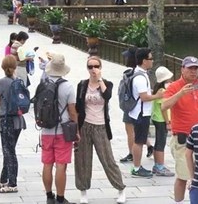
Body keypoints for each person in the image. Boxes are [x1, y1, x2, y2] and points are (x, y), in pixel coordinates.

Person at [74, 56, 126, 204]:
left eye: (96, 66)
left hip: (101, 127)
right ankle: (83, 191)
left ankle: (120, 188)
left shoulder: (107, 84)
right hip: (85, 126)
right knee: (82, 160)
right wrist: (77, 129)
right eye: (90, 67)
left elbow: (107, 96)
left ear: (100, 67)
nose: (93, 69)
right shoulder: (82, 85)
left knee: (107, 159)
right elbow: (78, 107)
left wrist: (100, 80)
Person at [161, 56, 198, 203]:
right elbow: (164, 106)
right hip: (182, 139)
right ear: (182, 69)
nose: (194, 71)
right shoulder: (174, 86)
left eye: (196, 68)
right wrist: (180, 93)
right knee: (183, 176)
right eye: (190, 68)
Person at [40, 53, 77, 204]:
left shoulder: (43, 83)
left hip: (46, 130)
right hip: (63, 130)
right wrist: (76, 130)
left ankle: (49, 197)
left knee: (47, 164)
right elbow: (72, 111)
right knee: (61, 165)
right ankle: (60, 199)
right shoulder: (68, 86)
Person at [0, 55, 25, 193]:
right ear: (15, 66)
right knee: (9, 149)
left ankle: (12, 183)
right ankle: (4, 179)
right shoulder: (19, 81)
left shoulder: (3, 82)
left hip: (6, 120)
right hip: (19, 120)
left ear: (3, 67)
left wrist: (2, 104)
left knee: (9, 151)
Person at [128, 48, 162, 178]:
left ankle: (137, 166)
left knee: (139, 140)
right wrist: (157, 95)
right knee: (139, 141)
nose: (152, 61)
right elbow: (144, 97)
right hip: (141, 113)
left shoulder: (138, 73)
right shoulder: (140, 77)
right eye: (150, 59)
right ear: (144, 61)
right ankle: (136, 168)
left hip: (138, 112)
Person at [150, 66, 175, 176]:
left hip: (156, 118)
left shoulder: (157, 89)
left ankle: (157, 165)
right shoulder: (163, 91)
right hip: (161, 120)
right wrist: (168, 122)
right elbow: (163, 108)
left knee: (158, 142)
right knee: (161, 143)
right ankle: (160, 166)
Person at [119, 46, 137, 163]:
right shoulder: (141, 72)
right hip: (137, 106)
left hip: (130, 105)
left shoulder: (131, 74)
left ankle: (132, 153)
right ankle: (149, 146)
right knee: (138, 130)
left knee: (130, 131)